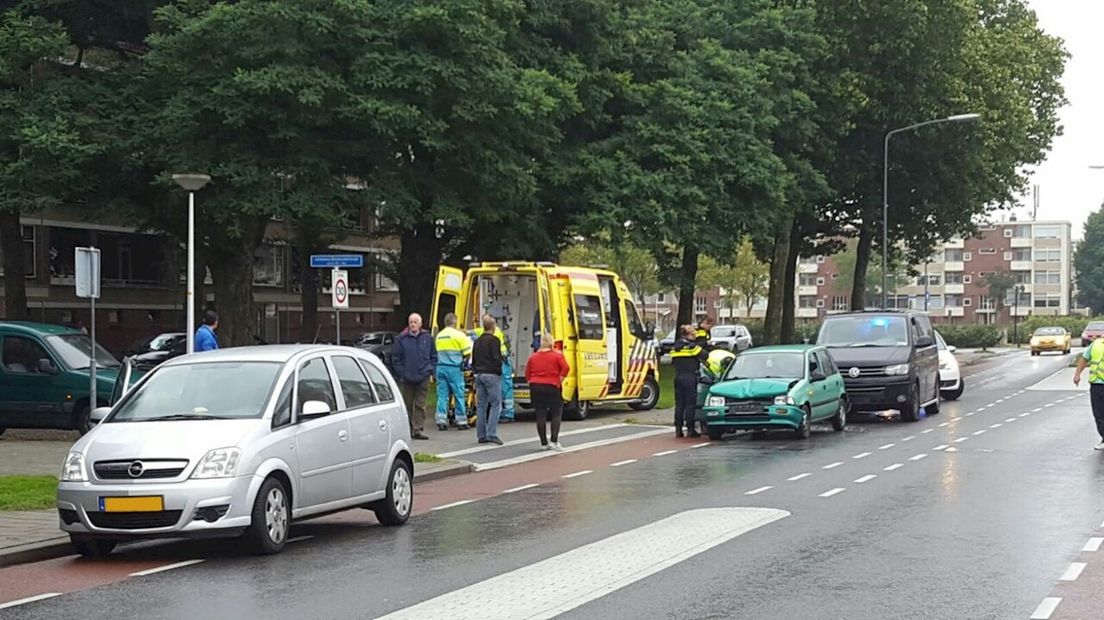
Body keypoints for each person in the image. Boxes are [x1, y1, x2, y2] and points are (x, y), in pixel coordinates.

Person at [391, 313, 436, 440]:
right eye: (411, 322)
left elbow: (434, 356)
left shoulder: (427, 337)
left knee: (420, 404)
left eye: (415, 322)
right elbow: (396, 359)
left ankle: (418, 429)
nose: (413, 324)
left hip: (423, 376)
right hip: (407, 378)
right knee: (407, 404)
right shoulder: (401, 339)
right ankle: (408, 428)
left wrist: (431, 370)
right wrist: (402, 374)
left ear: (420, 324)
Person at [526, 332, 570, 451]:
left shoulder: (533, 356)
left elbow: (527, 372)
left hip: (536, 386)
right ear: (552, 342)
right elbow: (566, 368)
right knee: (556, 412)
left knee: (540, 414)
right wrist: (560, 379)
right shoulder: (557, 356)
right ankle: (554, 441)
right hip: (552, 385)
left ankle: (543, 443)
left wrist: (531, 381)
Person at [434, 313, 473, 431]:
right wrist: (464, 362)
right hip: (454, 369)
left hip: (441, 368)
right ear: (455, 322)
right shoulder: (459, 335)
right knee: (459, 394)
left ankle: (441, 420)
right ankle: (461, 421)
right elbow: (467, 353)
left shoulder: (439, 336)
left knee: (442, 395)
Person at [670, 324, 708, 438]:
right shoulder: (692, 347)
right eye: (693, 335)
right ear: (688, 334)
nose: (695, 337)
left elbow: (673, 362)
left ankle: (678, 429)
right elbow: (705, 355)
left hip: (678, 377)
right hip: (689, 377)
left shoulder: (675, 347)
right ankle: (691, 430)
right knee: (690, 404)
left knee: (679, 404)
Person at [472, 314, 505, 445]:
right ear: (493, 327)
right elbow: (496, 358)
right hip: (491, 374)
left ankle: (481, 435)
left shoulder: (477, 341)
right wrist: (499, 371)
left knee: (481, 404)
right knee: (496, 404)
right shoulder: (494, 340)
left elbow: (473, 358)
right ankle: (491, 433)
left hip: (479, 374)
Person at [476, 320, 515, 423]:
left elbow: (475, 333)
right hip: (502, 361)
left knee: (504, 388)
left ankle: (508, 413)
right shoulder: (493, 332)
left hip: (502, 361)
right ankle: (507, 413)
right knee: (505, 388)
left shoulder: (492, 333)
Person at [1073, 337, 1104, 449]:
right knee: (1098, 414)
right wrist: (1077, 374)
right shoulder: (1096, 344)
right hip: (1096, 383)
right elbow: (1084, 359)